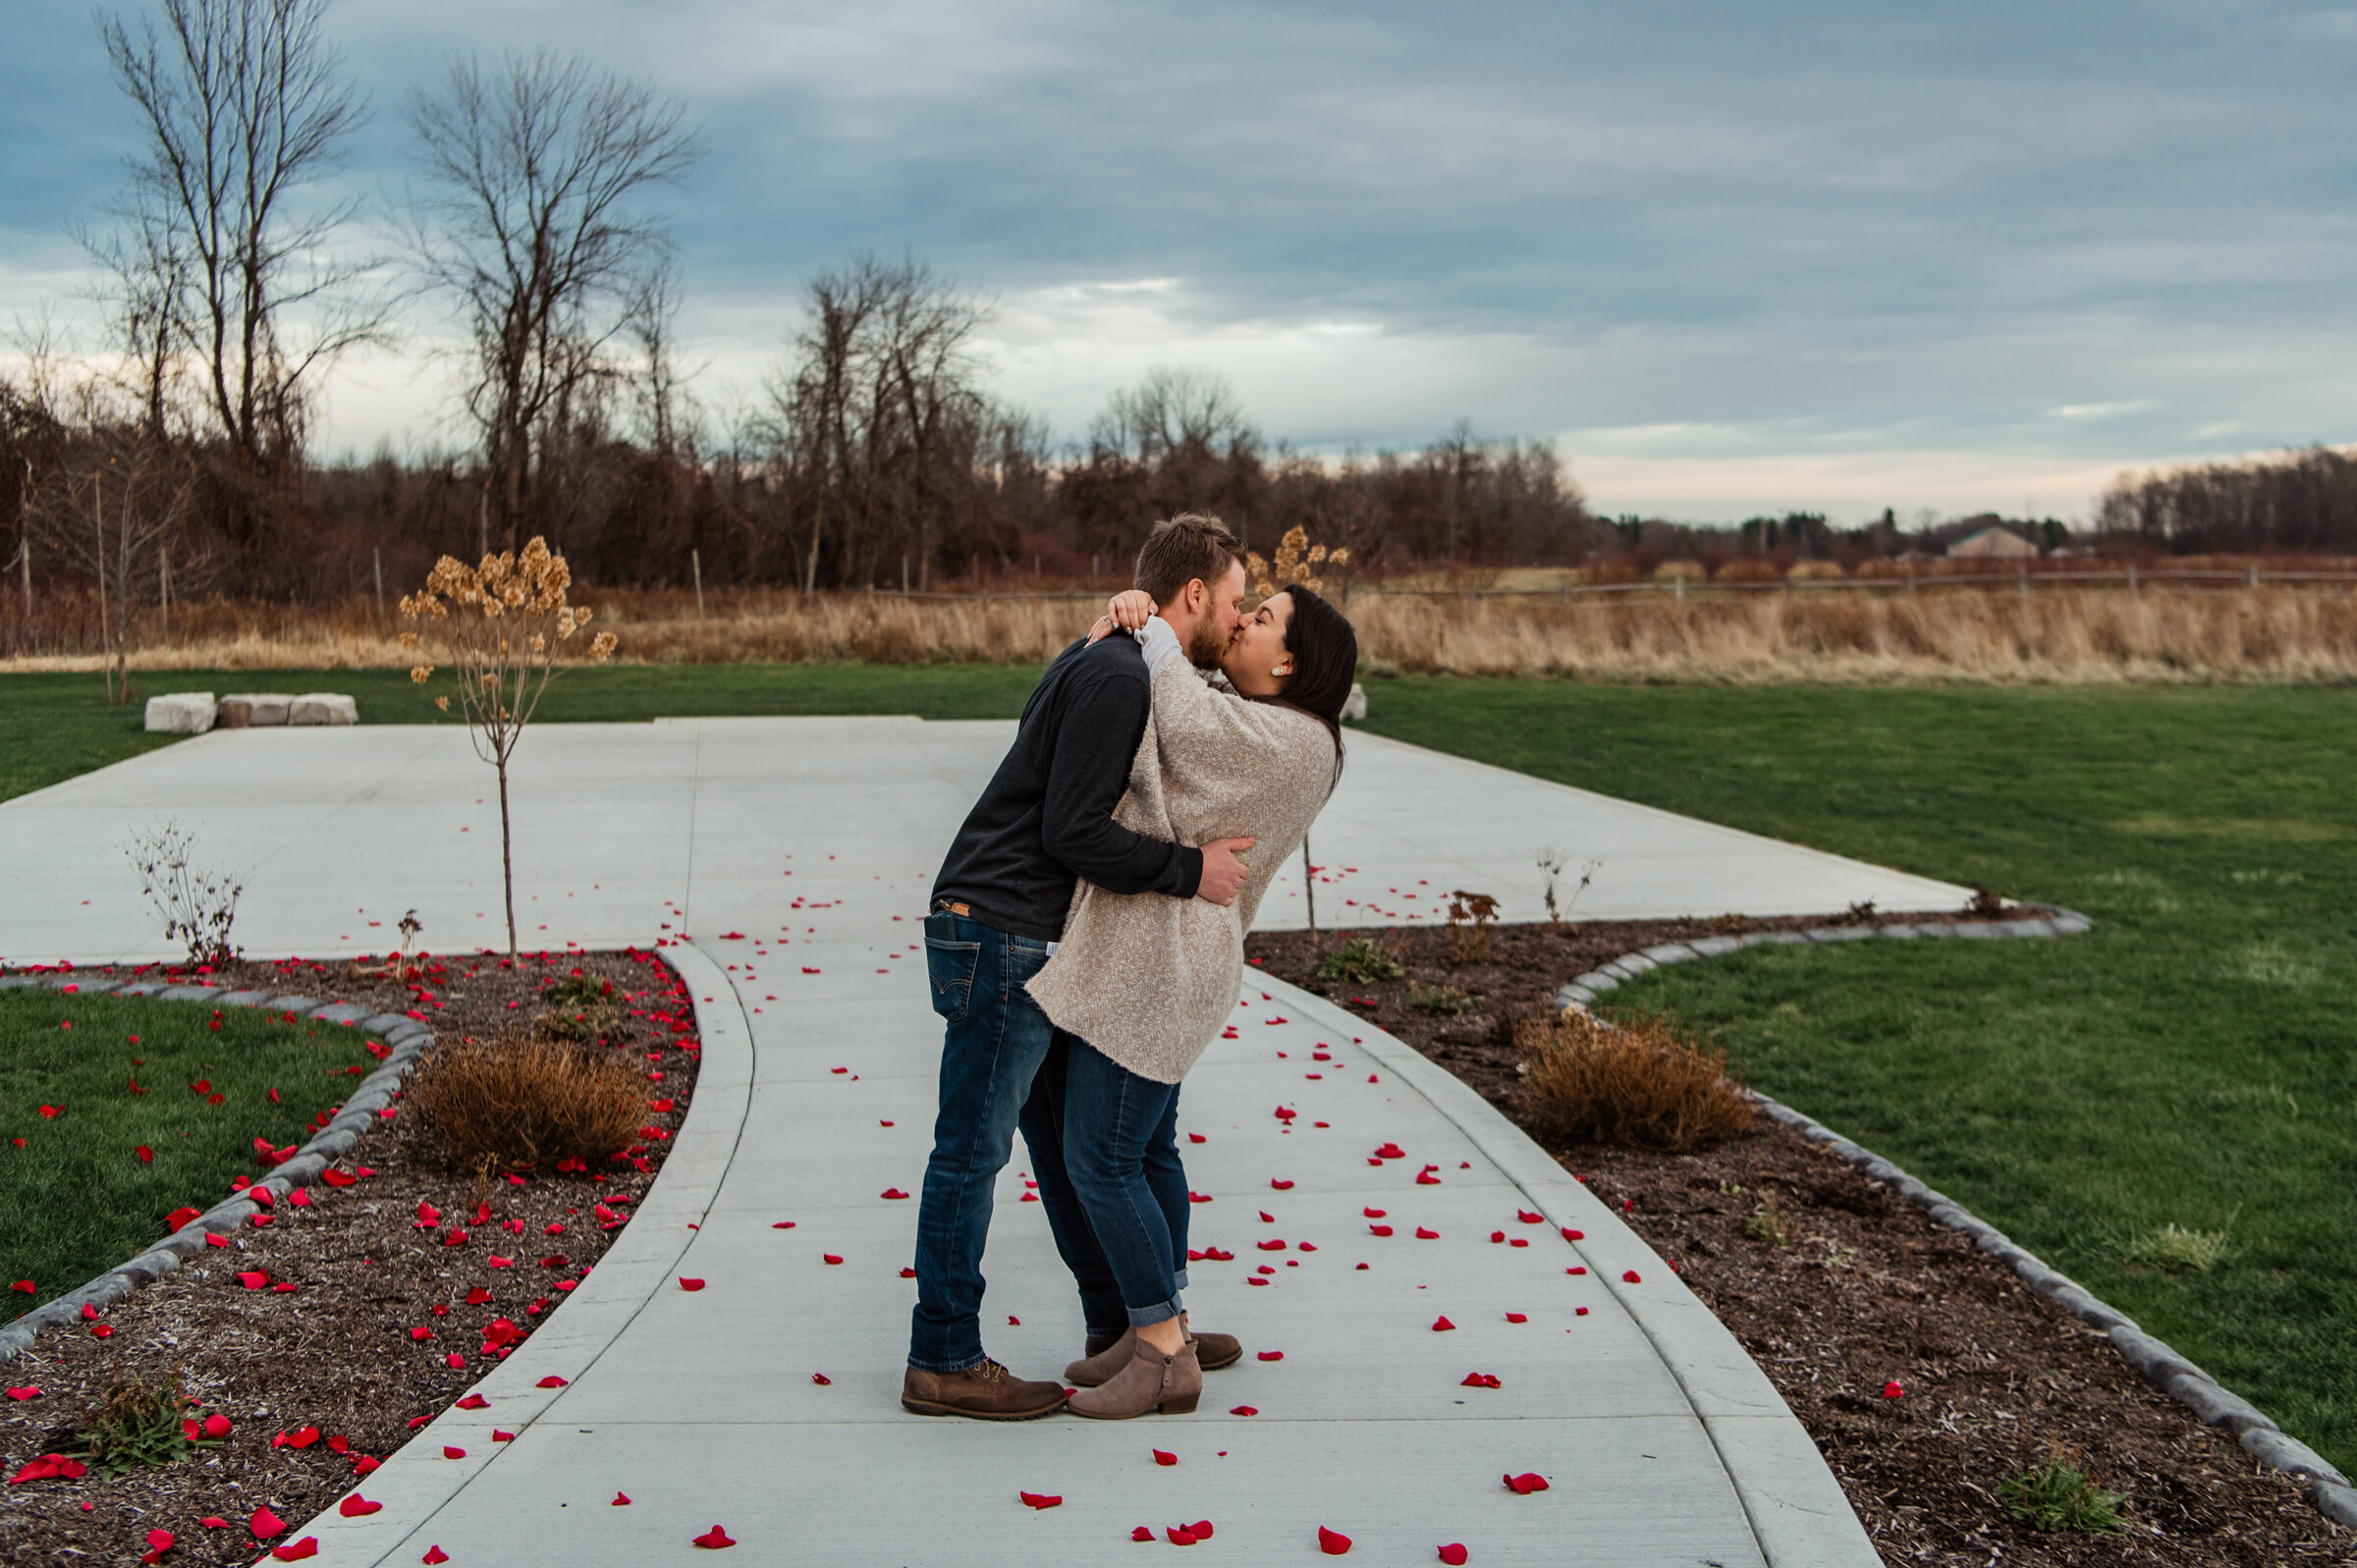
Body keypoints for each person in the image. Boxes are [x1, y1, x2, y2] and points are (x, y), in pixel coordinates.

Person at [902, 514, 1256, 1421]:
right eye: (1235, 602)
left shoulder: (1117, 659)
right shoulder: (1114, 673)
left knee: (1066, 1153)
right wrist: (1192, 871)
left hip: (1027, 934)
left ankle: (1128, 1331)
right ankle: (942, 1354)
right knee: (972, 1151)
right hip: (1000, 929)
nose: (1240, 619)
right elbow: (1072, 830)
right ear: (1193, 596)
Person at [1024, 571, 1359, 1419]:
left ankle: (1164, 1355)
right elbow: (1182, 704)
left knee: (1099, 1157)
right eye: (1250, 606)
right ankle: (1163, 1317)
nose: (1243, 622)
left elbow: (1179, 712)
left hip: (1164, 963)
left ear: (1291, 663)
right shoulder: (1273, 724)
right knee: (1146, 1152)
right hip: (1162, 954)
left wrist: (1154, 625)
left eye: (1264, 618)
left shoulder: (1297, 742)